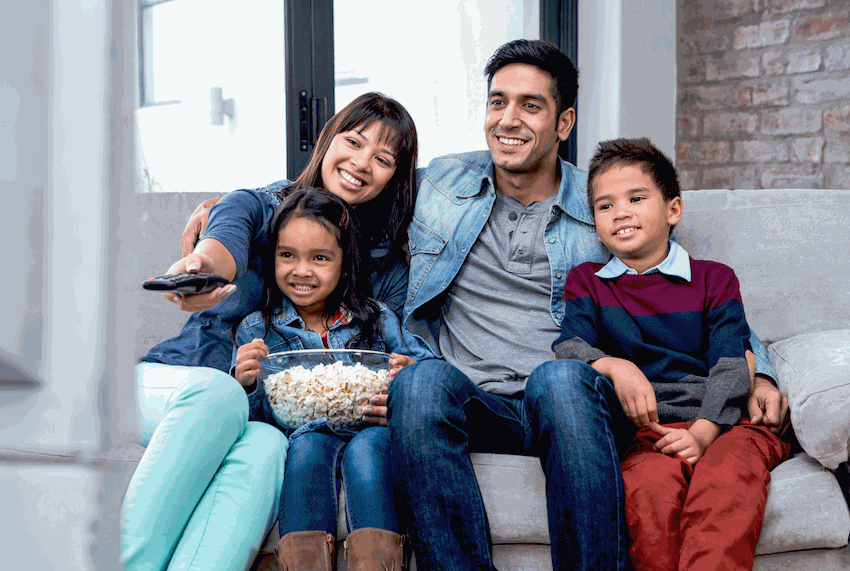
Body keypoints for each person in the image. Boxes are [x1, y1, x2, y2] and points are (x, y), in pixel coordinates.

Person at [383, 39, 790, 571]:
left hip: (574, 399)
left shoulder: (602, 203)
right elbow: (343, 207)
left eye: (531, 105)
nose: (508, 119)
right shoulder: (440, 182)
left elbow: (683, 282)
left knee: (558, 378)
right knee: (418, 382)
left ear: (564, 121)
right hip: (476, 400)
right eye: (497, 101)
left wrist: (760, 376)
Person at [121, 93, 419, 571]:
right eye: (354, 141)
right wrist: (202, 270)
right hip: (174, 384)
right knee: (220, 393)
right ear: (327, 140)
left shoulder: (381, 269)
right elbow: (221, 248)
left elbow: (390, 354)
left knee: (268, 446)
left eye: (382, 159)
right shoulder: (256, 207)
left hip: (246, 411)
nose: (361, 164)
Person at [553, 137, 791, 570]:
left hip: (728, 422)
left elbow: (732, 363)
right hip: (650, 434)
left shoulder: (713, 279)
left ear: (673, 210)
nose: (620, 212)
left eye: (636, 198)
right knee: (648, 492)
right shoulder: (587, 281)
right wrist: (612, 363)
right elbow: (569, 347)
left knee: (726, 483)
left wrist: (703, 432)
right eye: (605, 206)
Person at [232, 188, 434, 570]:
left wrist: (408, 381)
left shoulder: (377, 318)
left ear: (344, 265)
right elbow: (254, 421)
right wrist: (245, 382)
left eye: (320, 258)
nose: (302, 270)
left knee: (369, 452)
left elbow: (427, 372)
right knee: (306, 452)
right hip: (303, 431)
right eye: (287, 255)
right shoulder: (258, 330)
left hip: (370, 428)